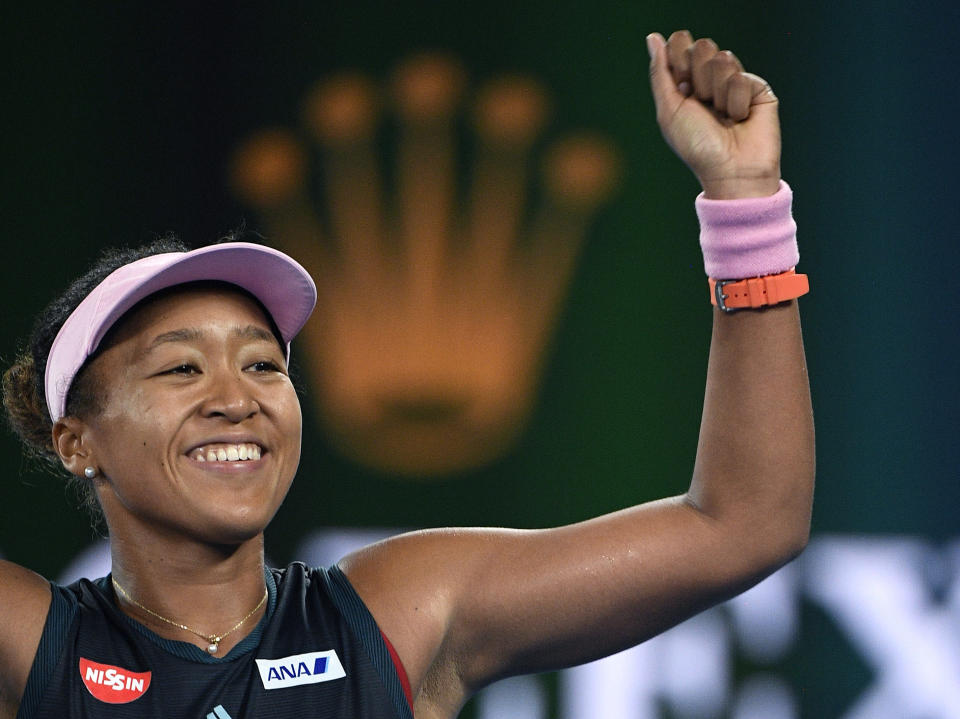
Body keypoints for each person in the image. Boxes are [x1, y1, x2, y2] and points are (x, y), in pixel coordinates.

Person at [0, 30, 814, 719]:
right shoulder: (33, 642)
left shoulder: (395, 613)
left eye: (262, 363)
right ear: (77, 440)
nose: (236, 399)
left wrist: (745, 204)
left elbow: (744, 522)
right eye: (181, 367)